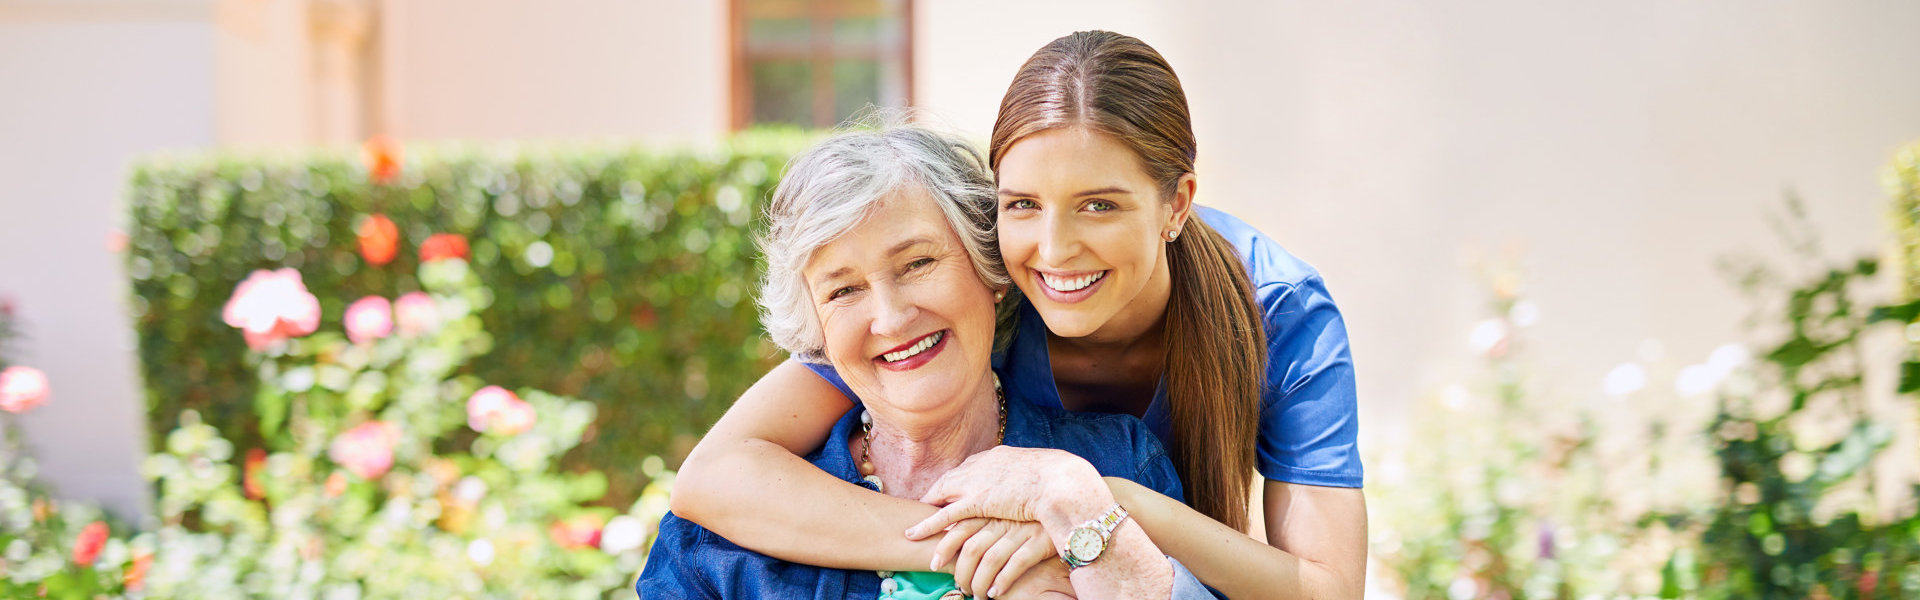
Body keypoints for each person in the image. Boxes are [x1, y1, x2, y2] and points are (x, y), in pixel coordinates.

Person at [673, 31, 1366, 599]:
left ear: (1177, 203)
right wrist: (967, 542)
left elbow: (1327, 589)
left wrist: (1097, 504)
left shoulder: (1279, 311)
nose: (1055, 250)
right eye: (1022, 203)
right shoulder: (980, 278)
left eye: (1099, 204)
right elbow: (715, 476)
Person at [639, 124, 1213, 599]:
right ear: (816, 331)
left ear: (991, 270)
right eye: (843, 292)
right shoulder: (720, 538)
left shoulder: (1114, 462)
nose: (889, 319)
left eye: (917, 264)